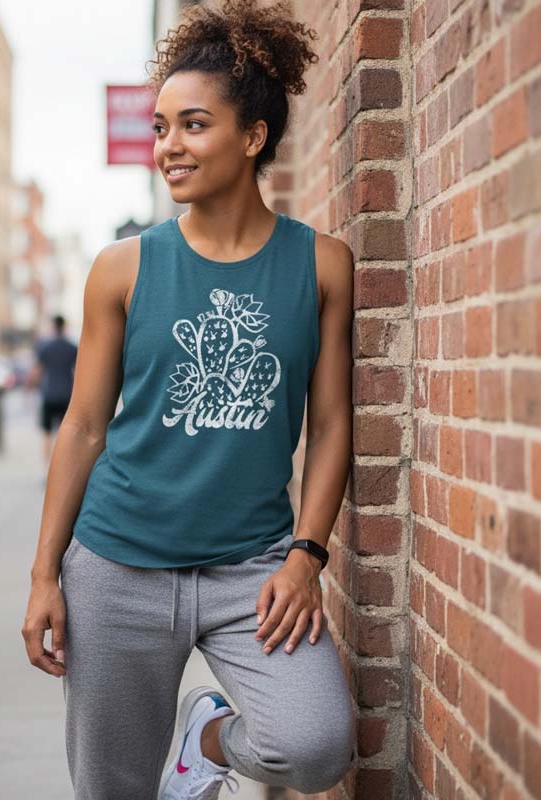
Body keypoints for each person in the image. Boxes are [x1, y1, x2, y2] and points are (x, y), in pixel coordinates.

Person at [22, 1, 358, 797]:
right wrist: (44, 576)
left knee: (313, 745)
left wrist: (308, 554)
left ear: (253, 137)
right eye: (162, 126)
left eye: (194, 125)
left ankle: (206, 737)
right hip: (116, 567)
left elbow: (335, 423)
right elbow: (83, 427)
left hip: (254, 569)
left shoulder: (323, 267)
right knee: (114, 787)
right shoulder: (123, 268)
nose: (169, 145)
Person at [30, 315, 77, 470]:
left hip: (49, 395)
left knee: (47, 434)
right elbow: (79, 372)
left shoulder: (46, 347)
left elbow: (37, 371)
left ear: (53, 326)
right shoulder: (72, 347)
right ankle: (63, 468)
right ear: (64, 327)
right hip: (66, 395)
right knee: (64, 435)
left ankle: (48, 469)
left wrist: (29, 387)